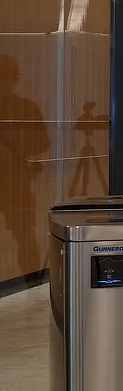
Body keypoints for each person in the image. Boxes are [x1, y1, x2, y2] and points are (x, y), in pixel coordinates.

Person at [0, 54, 51, 274]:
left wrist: (19, 151)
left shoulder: (27, 109)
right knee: (25, 236)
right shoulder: (28, 107)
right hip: (18, 179)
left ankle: (33, 279)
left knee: (24, 236)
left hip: (17, 180)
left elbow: (42, 143)